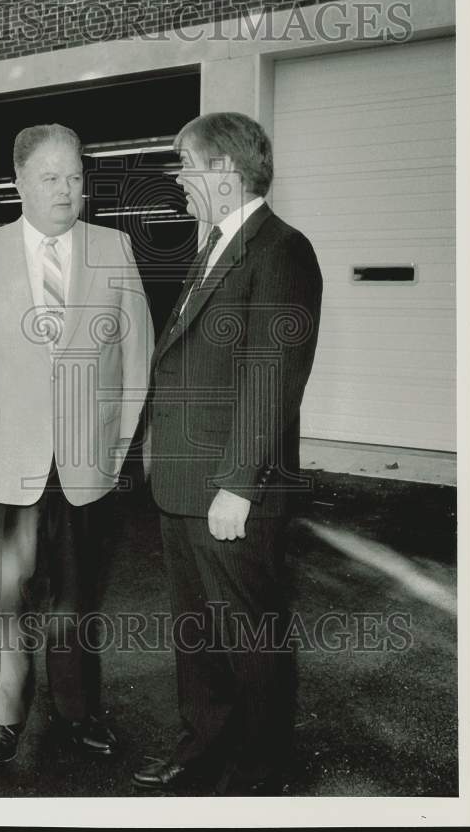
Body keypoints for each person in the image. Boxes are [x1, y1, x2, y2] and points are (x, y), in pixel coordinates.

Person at [0, 123, 153, 765]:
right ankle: (4, 717)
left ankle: (79, 712)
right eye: (50, 178)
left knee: (77, 594)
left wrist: (119, 445)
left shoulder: (113, 248)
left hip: (86, 458)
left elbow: (136, 352)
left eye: (75, 177)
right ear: (18, 184)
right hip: (7, 456)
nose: (66, 190)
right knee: (6, 595)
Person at [133, 112, 323, 794]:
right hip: (185, 483)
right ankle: (203, 745)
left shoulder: (281, 250)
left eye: (186, 164)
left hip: (230, 489)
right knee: (198, 632)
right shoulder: (215, 243)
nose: (180, 179)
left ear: (223, 170)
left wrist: (239, 485)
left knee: (250, 635)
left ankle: (260, 771)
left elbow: (272, 376)